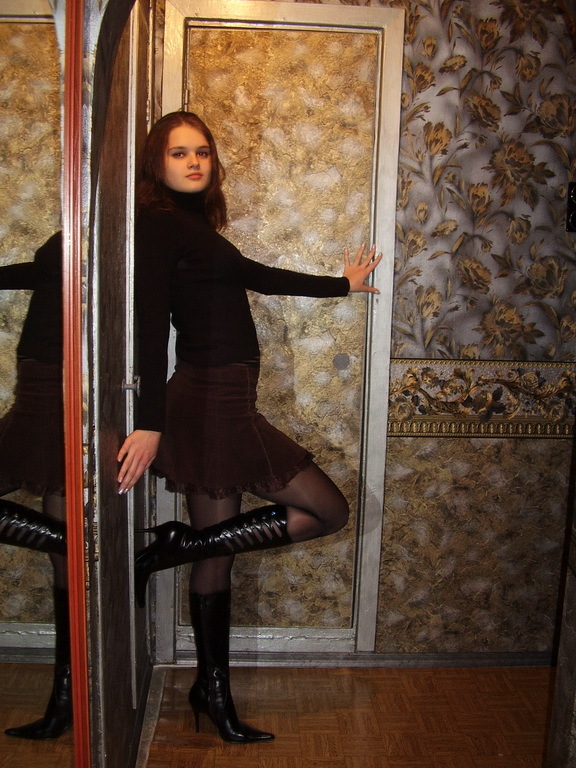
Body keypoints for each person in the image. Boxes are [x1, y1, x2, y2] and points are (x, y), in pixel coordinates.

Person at [117, 111, 381, 744]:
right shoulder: (157, 225)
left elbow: (257, 275)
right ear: (156, 164)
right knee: (329, 511)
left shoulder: (194, 227)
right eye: (179, 153)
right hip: (210, 400)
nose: (194, 162)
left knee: (218, 555)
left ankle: (211, 691)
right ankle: (174, 553)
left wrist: (341, 286)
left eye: (202, 152)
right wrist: (149, 424)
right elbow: (149, 325)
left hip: (223, 396)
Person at [0, 231, 70, 740]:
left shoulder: (136, 222)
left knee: (65, 558)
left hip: (66, 381)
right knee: (65, 548)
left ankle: (65, 697)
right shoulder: (87, 212)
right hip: (39, 381)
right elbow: (47, 275)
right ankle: (79, 546)